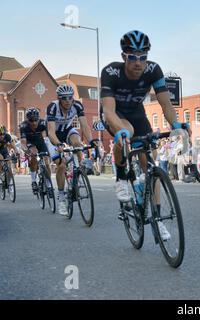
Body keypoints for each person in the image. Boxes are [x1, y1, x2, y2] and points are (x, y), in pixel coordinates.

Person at [100, 30, 190, 241]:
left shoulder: (153, 70)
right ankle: (122, 179)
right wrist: (119, 130)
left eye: (143, 57)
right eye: (133, 57)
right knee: (127, 133)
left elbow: (166, 103)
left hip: (137, 113)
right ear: (124, 57)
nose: (138, 62)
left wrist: (176, 125)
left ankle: (157, 218)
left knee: (150, 163)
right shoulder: (111, 72)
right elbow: (109, 110)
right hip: (116, 114)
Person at [46, 84, 97, 216]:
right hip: (54, 135)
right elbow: (51, 131)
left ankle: (79, 170)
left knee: (77, 142)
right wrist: (58, 144)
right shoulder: (53, 107)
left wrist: (91, 141)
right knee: (62, 165)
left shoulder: (77, 105)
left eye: (70, 98)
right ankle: (62, 197)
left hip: (68, 130)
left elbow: (85, 126)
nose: (68, 101)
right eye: (64, 98)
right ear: (59, 98)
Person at [19, 108, 52, 195]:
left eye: (35, 120)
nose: (33, 122)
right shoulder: (23, 126)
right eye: (31, 120)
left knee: (47, 162)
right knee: (33, 154)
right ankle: (33, 181)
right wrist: (26, 151)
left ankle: (49, 185)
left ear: (38, 119)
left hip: (40, 141)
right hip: (30, 143)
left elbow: (46, 137)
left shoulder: (42, 123)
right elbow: (23, 142)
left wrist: (50, 149)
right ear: (27, 120)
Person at [0, 126, 18, 191]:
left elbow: (13, 145)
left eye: (3, 134)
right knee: (1, 160)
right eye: (0, 135)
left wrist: (16, 151)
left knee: (9, 168)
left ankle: (9, 183)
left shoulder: (7, 136)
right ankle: (1, 177)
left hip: (4, 151)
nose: (2, 136)